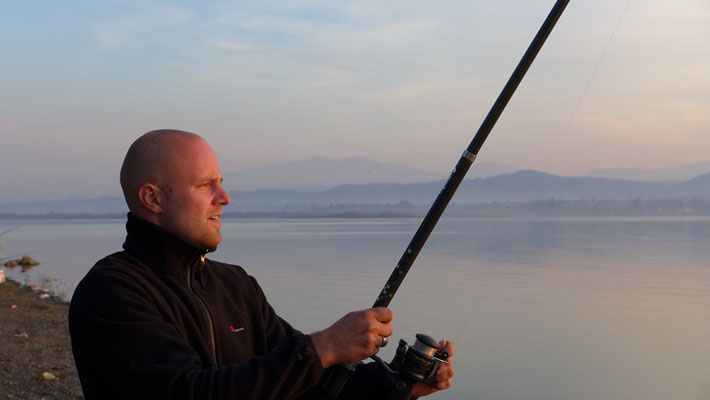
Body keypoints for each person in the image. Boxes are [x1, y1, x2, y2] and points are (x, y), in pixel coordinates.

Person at [69, 129, 454, 399]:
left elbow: (303, 381)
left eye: (220, 182)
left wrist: (399, 386)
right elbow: (187, 392)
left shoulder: (235, 285)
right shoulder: (112, 291)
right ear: (152, 199)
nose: (225, 197)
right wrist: (324, 346)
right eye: (206, 185)